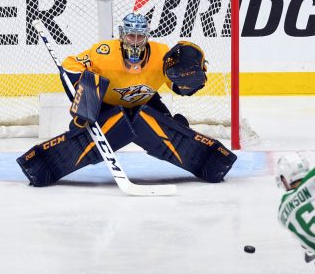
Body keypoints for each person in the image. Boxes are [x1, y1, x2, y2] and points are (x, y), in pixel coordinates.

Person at [17, 13, 237, 186]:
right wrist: (83, 95)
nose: (135, 41)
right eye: (131, 35)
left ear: (147, 36)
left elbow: (176, 85)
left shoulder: (162, 54)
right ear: (122, 34)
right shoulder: (103, 52)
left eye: (140, 36)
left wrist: (188, 84)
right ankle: (80, 131)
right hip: (108, 104)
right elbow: (69, 64)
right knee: (84, 104)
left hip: (146, 103)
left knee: (172, 127)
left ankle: (179, 133)